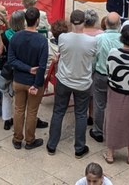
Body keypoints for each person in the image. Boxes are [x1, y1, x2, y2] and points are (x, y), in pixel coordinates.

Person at [46, 9, 97, 158]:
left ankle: (52, 145)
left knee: (58, 112)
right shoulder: (92, 41)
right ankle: (79, 147)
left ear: (71, 22)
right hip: (82, 82)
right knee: (81, 114)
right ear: (84, 22)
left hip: (64, 80)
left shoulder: (63, 37)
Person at [103, 24, 129, 165]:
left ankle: (110, 154)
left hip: (115, 91)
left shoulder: (113, 53)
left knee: (112, 120)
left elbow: (109, 70)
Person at [9, 7, 48, 151]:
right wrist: (37, 84)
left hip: (18, 80)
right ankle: (30, 140)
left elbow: (11, 60)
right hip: (33, 82)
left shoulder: (16, 37)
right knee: (32, 112)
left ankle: (17, 139)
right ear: (37, 20)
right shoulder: (42, 41)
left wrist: (25, 68)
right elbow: (42, 66)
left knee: (18, 110)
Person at [89, 12, 122, 144]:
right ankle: (114, 131)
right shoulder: (123, 39)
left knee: (99, 104)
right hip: (118, 77)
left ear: (106, 23)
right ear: (119, 24)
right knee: (115, 105)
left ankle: (98, 131)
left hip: (101, 75)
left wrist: (91, 72)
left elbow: (93, 59)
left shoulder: (99, 39)